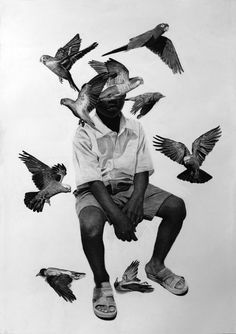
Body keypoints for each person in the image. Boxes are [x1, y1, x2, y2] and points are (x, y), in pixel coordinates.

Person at [73, 96, 188, 320]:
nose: (112, 101)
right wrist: (118, 217)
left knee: (176, 207)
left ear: (125, 97)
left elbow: (142, 168)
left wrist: (136, 200)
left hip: (131, 186)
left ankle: (156, 266)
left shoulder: (135, 126)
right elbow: (93, 180)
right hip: (95, 191)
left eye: (117, 96)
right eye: (105, 97)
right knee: (90, 225)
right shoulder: (83, 131)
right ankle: (102, 281)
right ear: (95, 100)